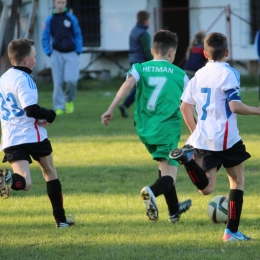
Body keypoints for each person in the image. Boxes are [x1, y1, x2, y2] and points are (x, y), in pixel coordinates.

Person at [169, 32, 260, 242]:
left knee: (207, 188)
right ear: (227, 52)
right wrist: (257, 110)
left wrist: (195, 133)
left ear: (204, 53)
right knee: (237, 181)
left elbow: (184, 106)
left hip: (203, 138)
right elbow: (234, 106)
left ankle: (189, 161)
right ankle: (231, 232)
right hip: (226, 138)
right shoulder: (230, 73)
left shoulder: (199, 74)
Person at [101, 30, 192, 223]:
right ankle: (151, 191)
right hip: (167, 128)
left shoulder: (140, 68)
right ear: (171, 53)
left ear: (152, 50)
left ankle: (174, 211)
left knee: (164, 166)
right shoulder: (180, 74)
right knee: (170, 177)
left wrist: (111, 108)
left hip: (145, 129)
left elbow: (127, 86)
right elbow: (191, 103)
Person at [0, 38, 75, 228]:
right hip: (32, 135)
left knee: (24, 183)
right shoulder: (25, 79)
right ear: (26, 60)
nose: (35, 60)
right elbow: (31, 109)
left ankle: (6, 178)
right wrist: (51, 114)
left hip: (10, 138)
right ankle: (61, 220)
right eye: (34, 56)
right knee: (50, 172)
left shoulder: (4, 78)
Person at [41, 0, 83, 115]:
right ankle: (59, 106)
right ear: (55, 3)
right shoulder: (50, 19)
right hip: (56, 53)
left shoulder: (71, 18)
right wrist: (48, 52)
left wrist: (78, 50)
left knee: (71, 80)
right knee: (58, 82)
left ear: (65, 4)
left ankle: (69, 100)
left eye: (63, 2)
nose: (60, 5)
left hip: (72, 53)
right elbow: (45, 36)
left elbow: (78, 34)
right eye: (58, 2)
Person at [118, 10, 153, 118]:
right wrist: (153, 62)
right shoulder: (144, 34)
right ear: (146, 21)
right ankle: (127, 105)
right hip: (141, 62)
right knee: (143, 86)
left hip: (133, 60)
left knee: (139, 86)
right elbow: (147, 51)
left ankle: (127, 105)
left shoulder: (134, 30)